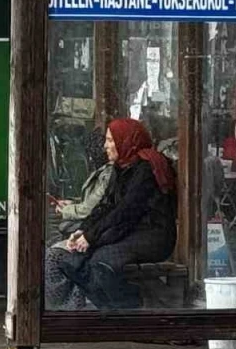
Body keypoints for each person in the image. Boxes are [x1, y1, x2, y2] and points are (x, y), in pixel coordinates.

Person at [49, 118, 177, 309]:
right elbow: (105, 206)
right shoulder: (121, 168)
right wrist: (83, 231)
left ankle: (132, 308)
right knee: (75, 260)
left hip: (153, 236)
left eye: (110, 140)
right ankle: (113, 312)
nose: (105, 146)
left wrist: (92, 237)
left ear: (125, 140)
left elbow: (126, 211)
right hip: (129, 231)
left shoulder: (145, 170)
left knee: (101, 261)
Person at [44, 132, 116, 310]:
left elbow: (93, 208)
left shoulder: (109, 173)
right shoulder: (104, 171)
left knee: (55, 255)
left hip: (95, 231)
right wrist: (72, 204)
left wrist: (67, 210)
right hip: (90, 229)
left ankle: (65, 306)